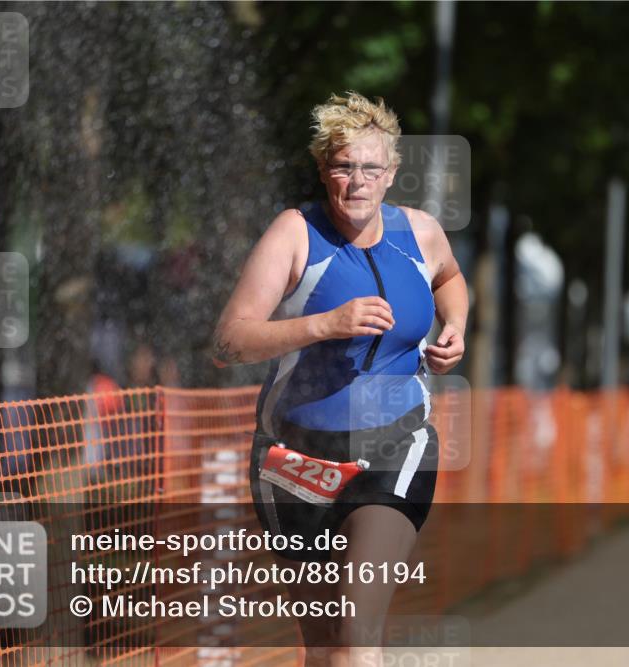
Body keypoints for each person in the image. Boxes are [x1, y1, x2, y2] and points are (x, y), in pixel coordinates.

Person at [211, 91, 468, 665]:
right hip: (294, 460)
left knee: (355, 631)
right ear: (323, 169)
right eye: (343, 167)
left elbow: (450, 276)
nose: (357, 182)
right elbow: (228, 341)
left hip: (394, 445)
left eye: (371, 168)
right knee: (323, 645)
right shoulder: (296, 233)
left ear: (392, 172)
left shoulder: (421, 233)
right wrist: (324, 324)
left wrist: (456, 325)